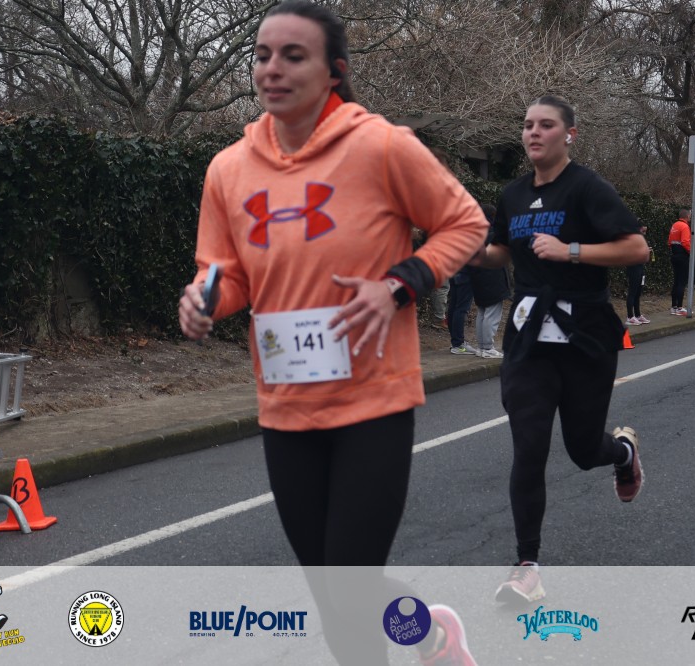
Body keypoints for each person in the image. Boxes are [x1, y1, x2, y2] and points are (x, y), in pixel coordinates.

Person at [177, 3, 486, 664]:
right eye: (263, 55)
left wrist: (398, 284)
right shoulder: (228, 169)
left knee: (349, 587)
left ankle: (428, 635)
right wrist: (203, 302)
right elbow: (225, 274)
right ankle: (432, 635)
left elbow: (465, 223)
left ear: (334, 71)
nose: (273, 68)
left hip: (374, 399)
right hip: (286, 404)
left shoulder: (381, 146)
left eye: (294, 55)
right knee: (333, 595)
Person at [469, 95, 649, 603]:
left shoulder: (587, 187)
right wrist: (467, 252)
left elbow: (636, 247)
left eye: (545, 125)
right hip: (529, 338)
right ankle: (526, 566)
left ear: (569, 134)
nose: (533, 132)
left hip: (584, 334)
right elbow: (501, 250)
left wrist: (572, 250)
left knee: (583, 450)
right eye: (527, 124)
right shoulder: (513, 194)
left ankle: (623, 452)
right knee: (529, 447)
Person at [470, 203, 511, 356]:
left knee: (482, 312)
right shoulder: (493, 234)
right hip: (494, 278)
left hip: (478, 278)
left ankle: (482, 347)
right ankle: (488, 347)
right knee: (492, 314)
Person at [625, 223, 651, 325]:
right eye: (643, 231)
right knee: (632, 292)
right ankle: (630, 316)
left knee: (638, 293)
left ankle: (638, 315)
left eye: (645, 231)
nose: (644, 234)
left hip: (640, 267)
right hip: (633, 268)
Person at [447, 263, 476, 355]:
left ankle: (456, 342)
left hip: (454, 269)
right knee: (461, 308)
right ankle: (458, 344)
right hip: (466, 271)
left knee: (454, 305)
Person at [668, 209, 691, 315]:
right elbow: (685, 242)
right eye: (689, 216)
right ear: (687, 216)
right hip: (682, 256)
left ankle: (674, 306)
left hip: (674, 255)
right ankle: (680, 307)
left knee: (676, 281)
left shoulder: (674, 225)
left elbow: (669, 242)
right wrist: (691, 252)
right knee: (682, 282)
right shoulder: (685, 226)